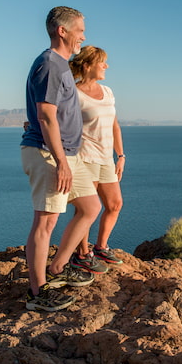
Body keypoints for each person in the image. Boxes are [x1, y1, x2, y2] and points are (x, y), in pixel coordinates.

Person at [20, 6, 102, 312]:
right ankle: (37, 293)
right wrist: (61, 162)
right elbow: (46, 115)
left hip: (67, 153)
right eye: (80, 30)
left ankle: (57, 268)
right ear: (62, 31)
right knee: (46, 222)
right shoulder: (50, 64)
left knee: (90, 206)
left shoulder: (61, 65)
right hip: (49, 154)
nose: (84, 35)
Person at [69, 46, 125, 269]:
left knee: (114, 204)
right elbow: (54, 116)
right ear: (87, 65)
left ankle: (101, 248)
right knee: (86, 210)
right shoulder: (73, 93)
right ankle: (82, 254)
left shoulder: (108, 92)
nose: (106, 66)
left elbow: (114, 126)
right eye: (102, 62)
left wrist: (120, 155)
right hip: (84, 159)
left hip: (106, 159)